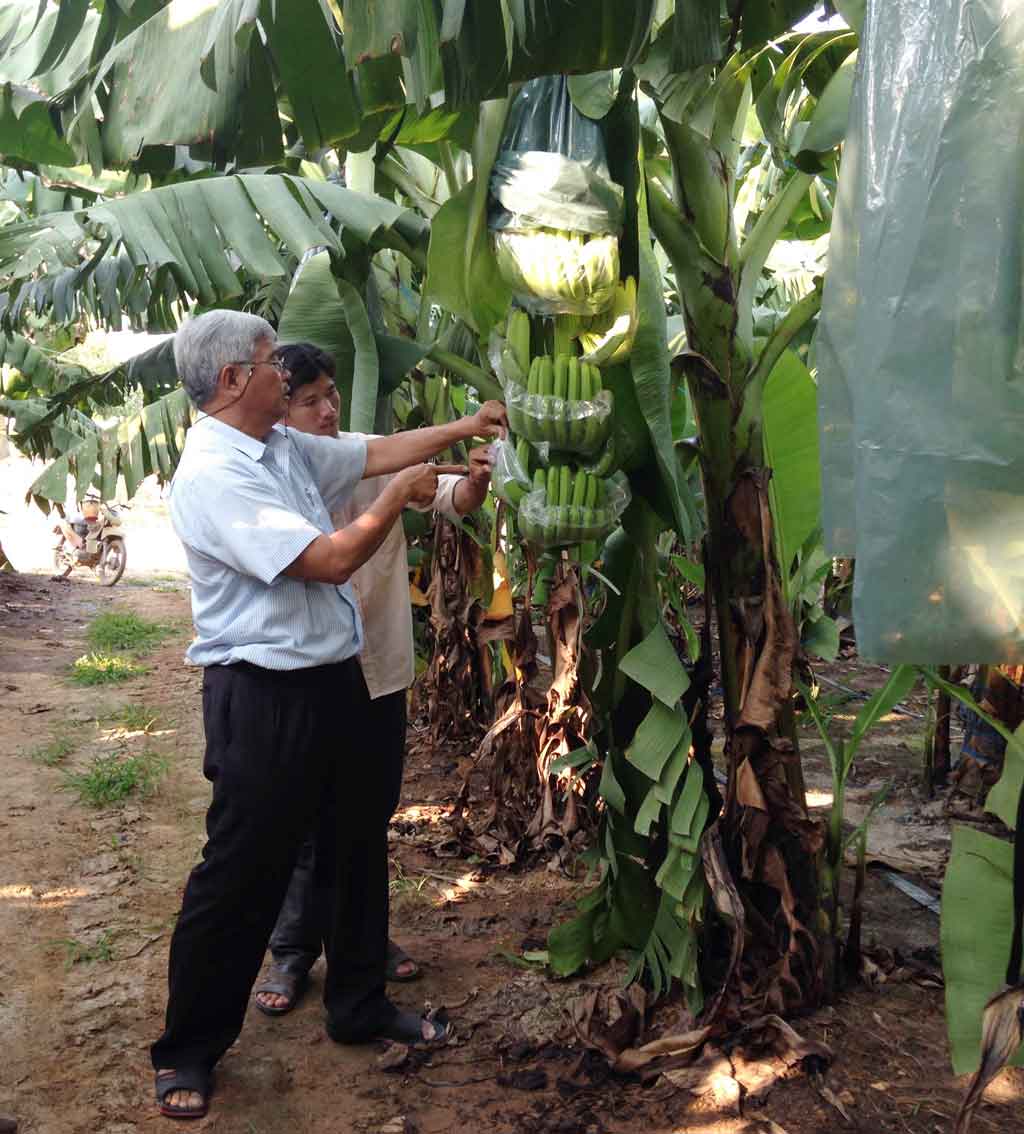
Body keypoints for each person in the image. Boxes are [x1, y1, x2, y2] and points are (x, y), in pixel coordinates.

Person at [152, 310, 506, 1120]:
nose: (289, 374)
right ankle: (189, 1048)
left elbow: (371, 453)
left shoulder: (280, 445)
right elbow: (327, 558)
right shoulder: (214, 473)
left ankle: (359, 1004)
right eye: (275, 364)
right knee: (241, 873)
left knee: (355, 849)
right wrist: (395, 505)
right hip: (262, 693)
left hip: (334, 682)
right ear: (236, 379)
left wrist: (467, 425)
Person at [252, 342, 493, 1014]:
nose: (329, 410)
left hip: (377, 667)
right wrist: (394, 494)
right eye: (310, 400)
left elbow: (453, 500)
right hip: (305, 673)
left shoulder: (367, 450)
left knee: (364, 816)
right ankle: (293, 950)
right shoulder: (268, 472)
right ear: (278, 407)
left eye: (332, 394)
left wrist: (473, 478)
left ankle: (361, 942)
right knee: (303, 819)